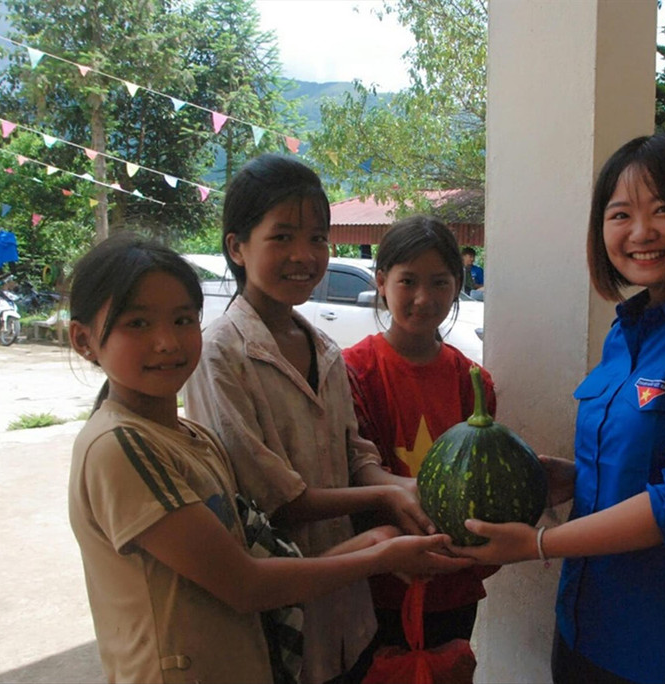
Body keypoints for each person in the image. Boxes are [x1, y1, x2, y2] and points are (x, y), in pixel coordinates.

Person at [453, 131, 665, 684]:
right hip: (585, 629)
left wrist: (539, 543)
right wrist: (568, 476)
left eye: (664, 210)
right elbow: (636, 466)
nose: (640, 232)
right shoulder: (629, 332)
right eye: (620, 213)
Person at [66, 232, 471, 684]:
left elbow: (252, 553)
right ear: (84, 340)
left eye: (182, 320)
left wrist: (370, 543)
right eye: (138, 324)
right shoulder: (121, 448)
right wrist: (378, 556)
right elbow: (246, 585)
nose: (167, 342)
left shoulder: (190, 437)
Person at [182, 154, 436, 684]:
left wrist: (403, 486)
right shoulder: (219, 355)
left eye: (318, 238)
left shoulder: (324, 348)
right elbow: (273, 499)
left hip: (350, 618)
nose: (305, 255)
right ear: (237, 247)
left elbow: (355, 456)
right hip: (282, 622)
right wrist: (388, 496)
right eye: (282, 237)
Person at [343, 215, 499, 652]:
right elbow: (354, 471)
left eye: (440, 283)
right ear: (381, 281)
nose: (423, 298)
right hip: (375, 583)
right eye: (407, 281)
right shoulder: (353, 371)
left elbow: (483, 486)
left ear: (458, 285)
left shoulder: (473, 382)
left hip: (453, 585)